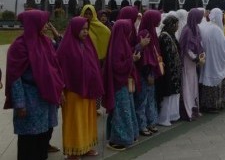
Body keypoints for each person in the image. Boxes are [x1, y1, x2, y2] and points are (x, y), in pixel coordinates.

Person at [4, 10, 65, 160]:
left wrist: (59, 90)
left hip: (46, 97)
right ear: (33, 24)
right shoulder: (19, 47)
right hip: (29, 99)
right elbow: (15, 77)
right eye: (43, 22)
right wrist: (20, 103)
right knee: (28, 140)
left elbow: (55, 67)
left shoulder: (46, 42)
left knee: (44, 135)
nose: (46, 25)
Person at [57, 17, 103, 159]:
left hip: (88, 90)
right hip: (73, 92)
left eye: (86, 29)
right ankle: (73, 151)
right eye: (82, 29)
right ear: (75, 29)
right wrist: (60, 90)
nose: (85, 31)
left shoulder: (88, 44)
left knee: (87, 119)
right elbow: (59, 71)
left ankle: (86, 146)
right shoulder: (65, 48)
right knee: (74, 121)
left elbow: (94, 64)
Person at [103, 19, 140, 151]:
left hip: (123, 83)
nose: (130, 33)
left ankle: (125, 136)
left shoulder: (122, 42)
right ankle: (116, 140)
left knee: (126, 111)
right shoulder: (118, 45)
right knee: (121, 113)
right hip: (119, 85)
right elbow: (117, 66)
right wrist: (132, 59)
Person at [198, 8, 225, 113]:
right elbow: (223, 46)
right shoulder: (217, 30)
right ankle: (214, 105)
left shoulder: (206, 26)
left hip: (207, 60)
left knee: (208, 82)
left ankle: (206, 104)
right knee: (215, 81)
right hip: (215, 62)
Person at [134, 10, 163, 136]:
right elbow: (143, 56)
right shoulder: (144, 33)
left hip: (151, 72)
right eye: (157, 18)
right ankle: (142, 125)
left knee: (150, 99)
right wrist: (148, 74)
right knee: (143, 100)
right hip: (145, 73)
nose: (159, 21)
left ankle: (151, 122)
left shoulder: (152, 32)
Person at [179, 9, 204, 120]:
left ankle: (194, 108)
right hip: (188, 61)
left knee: (193, 84)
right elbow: (186, 49)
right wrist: (196, 58)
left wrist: (200, 56)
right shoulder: (187, 30)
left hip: (194, 62)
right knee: (188, 84)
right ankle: (188, 110)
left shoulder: (196, 28)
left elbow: (199, 43)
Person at [157, 15, 183, 126]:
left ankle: (172, 115)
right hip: (169, 72)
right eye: (176, 24)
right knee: (168, 95)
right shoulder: (165, 37)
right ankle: (164, 118)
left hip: (174, 71)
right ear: (171, 25)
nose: (177, 27)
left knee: (173, 94)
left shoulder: (171, 35)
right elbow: (167, 56)